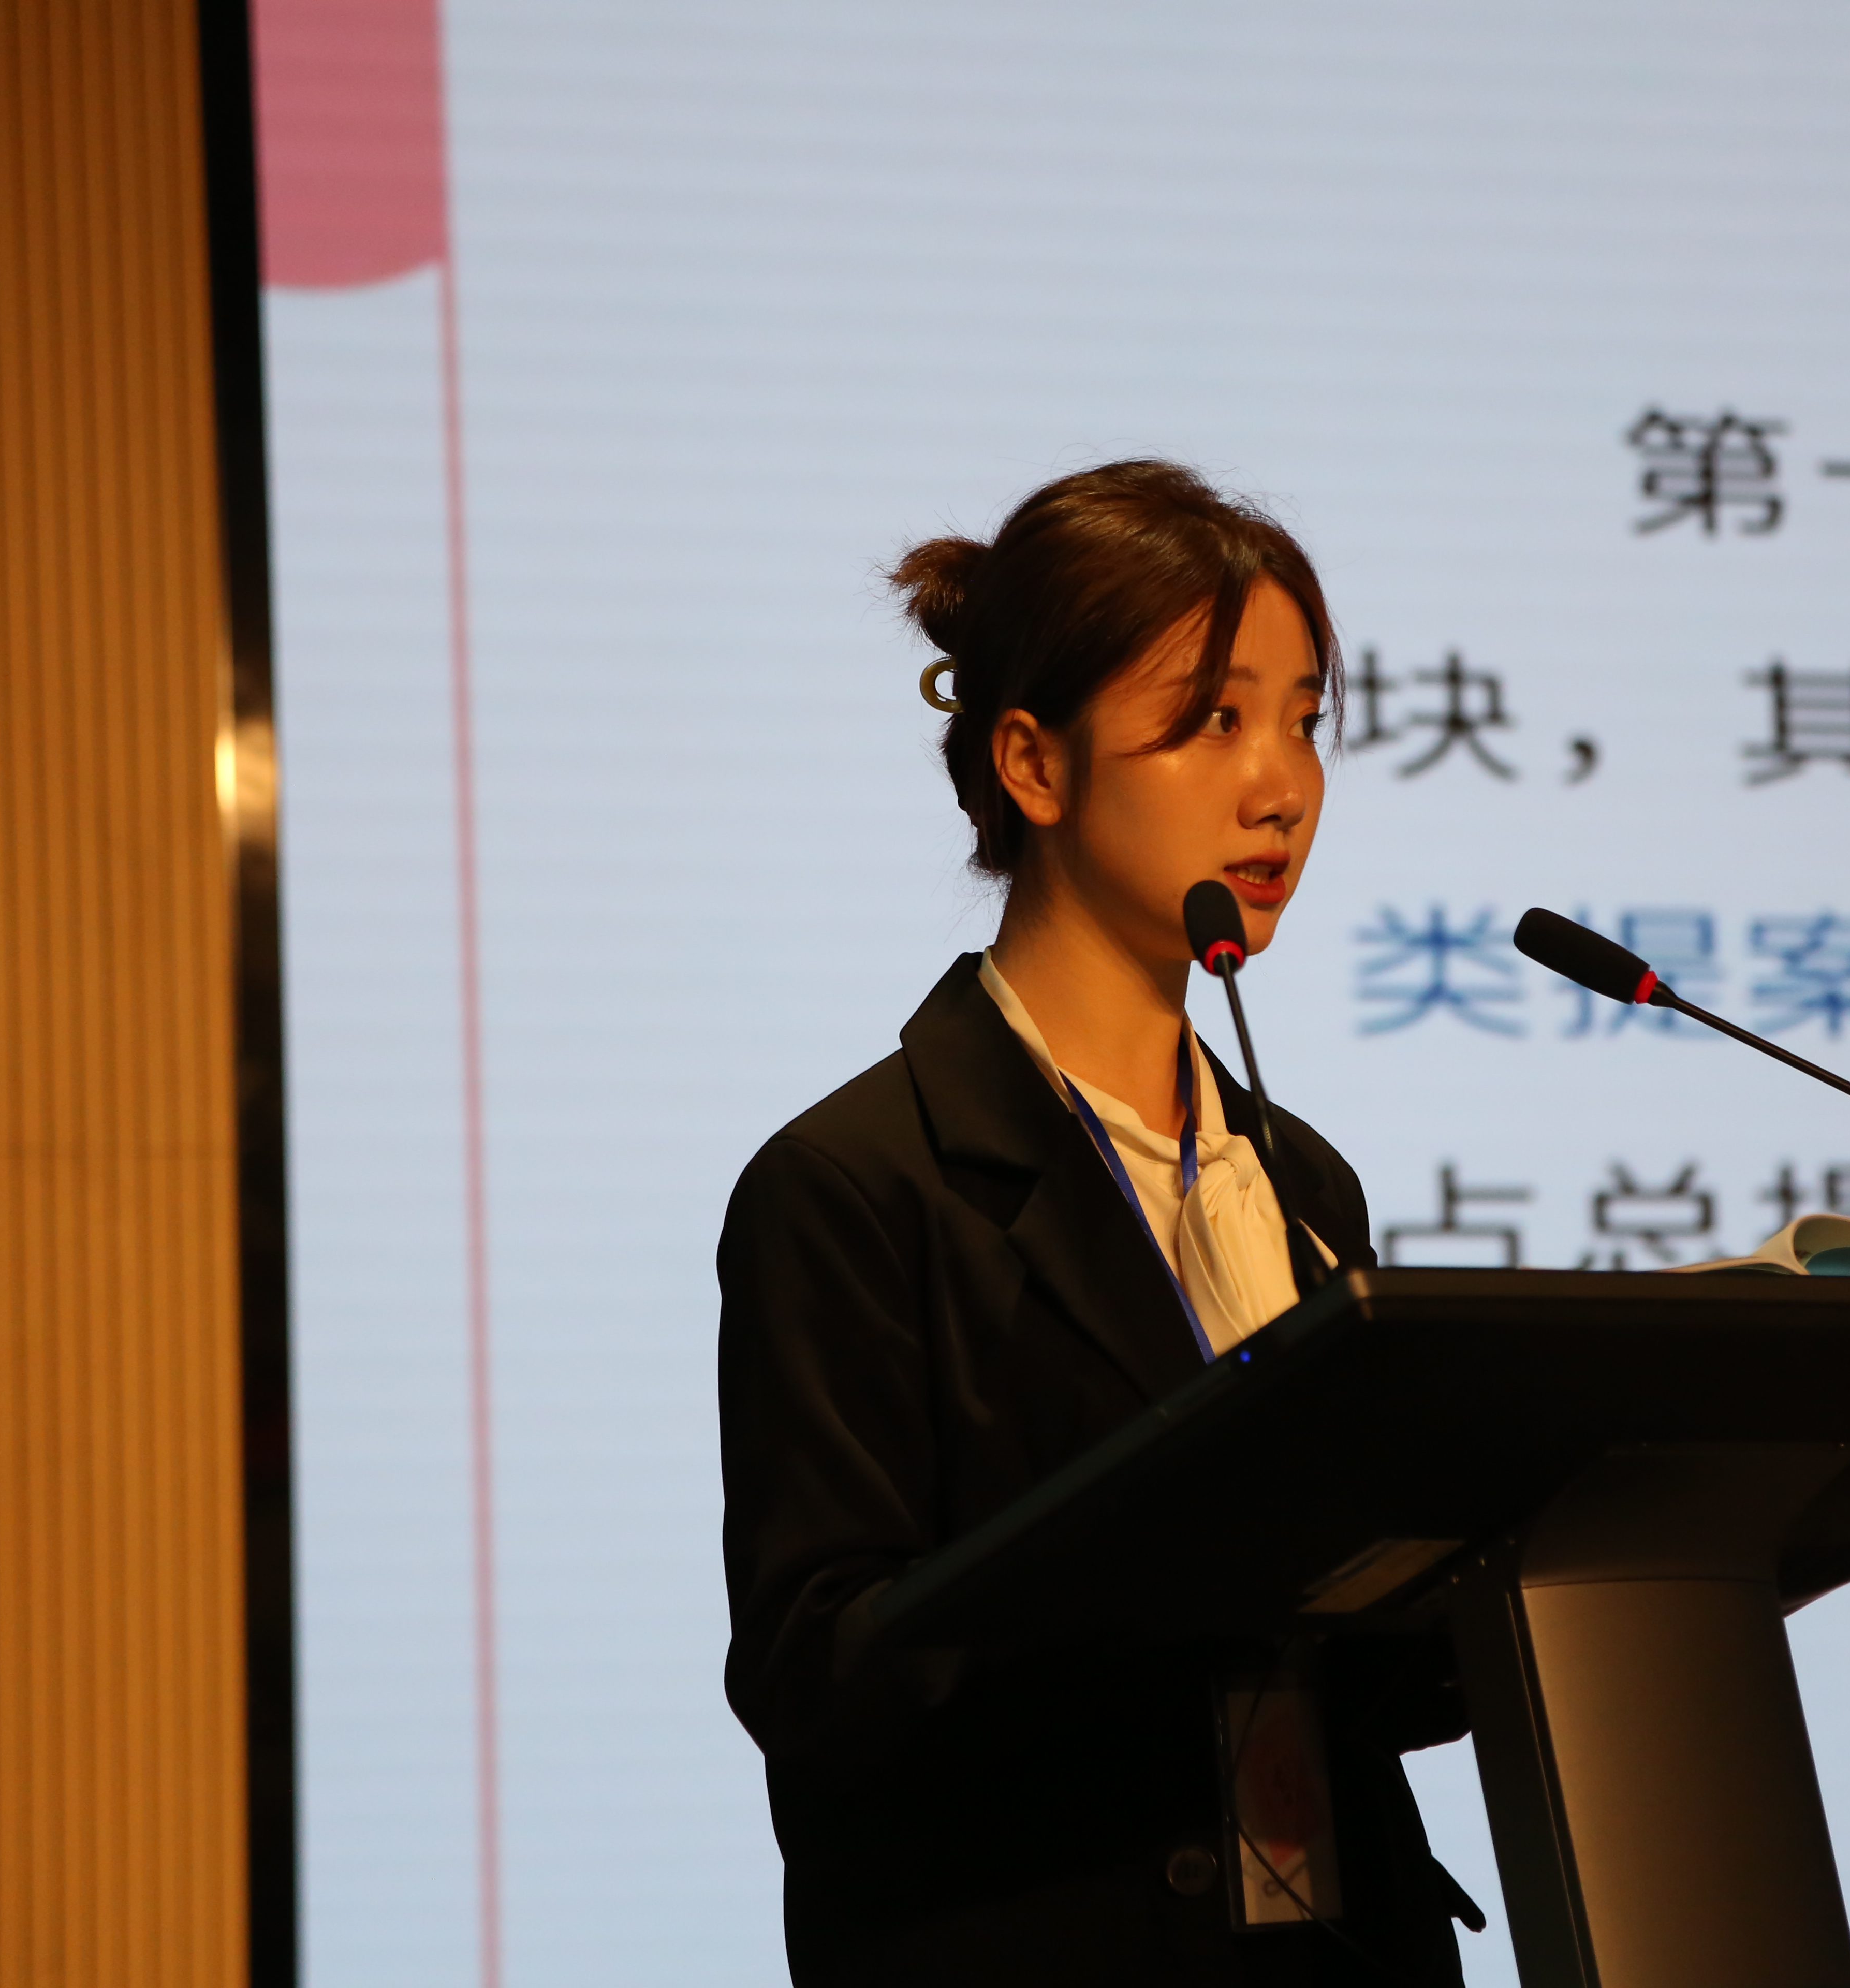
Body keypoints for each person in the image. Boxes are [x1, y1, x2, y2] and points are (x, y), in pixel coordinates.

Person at [718, 461, 1473, 1986]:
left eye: (1305, 721)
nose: (1282, 786)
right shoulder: (860, 1184)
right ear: (1034, 765)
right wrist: (1182, 1552)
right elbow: (821, 1676)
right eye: (1213, 721)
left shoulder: (1301, 1186)